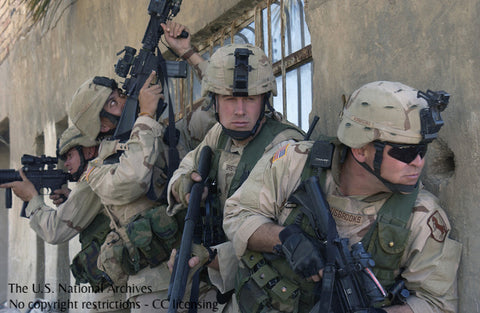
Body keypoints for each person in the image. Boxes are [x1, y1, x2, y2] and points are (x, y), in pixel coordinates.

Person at [223, 81, 462, 313]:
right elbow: (237, 215)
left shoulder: (421, 215)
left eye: (422, 150)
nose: (418, 163)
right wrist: (285, 239)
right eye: (405, 151)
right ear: (360, 149)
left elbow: (437, 304)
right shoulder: (294, 163)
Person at [67, 41, 215, 310]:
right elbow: (134, 179)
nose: (124, 100)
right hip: (154, 290)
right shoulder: (98, 171)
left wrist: (189, 53)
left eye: (119, 94)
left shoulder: (169, 134)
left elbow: (221, 105)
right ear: (102, 125)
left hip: (202, 276)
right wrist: (145, 115)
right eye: (113, 103)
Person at [165, 42, 305, 311]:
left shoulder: (285, 148)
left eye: (250, 99)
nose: (240, 111)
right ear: (214, 102)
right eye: (230, 99)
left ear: (264, 101)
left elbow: (283, 241)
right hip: (224, 282)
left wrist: (212, 257)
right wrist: (183, 187)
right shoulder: (219, 135)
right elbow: (184, 169)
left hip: (270, 290)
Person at [0, 126, 129, 313]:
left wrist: (31, 199)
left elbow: (54, 232)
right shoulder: (97, 176)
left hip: (119, 281)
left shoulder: (92, 180)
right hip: (115, 277)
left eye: (69, 156)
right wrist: (70, 201)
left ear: (89, 150)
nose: (66, 164)